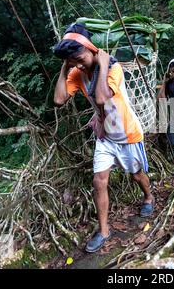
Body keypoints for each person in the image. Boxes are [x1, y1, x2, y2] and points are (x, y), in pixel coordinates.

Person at [53, 23, 154, 253]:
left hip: (127, 134)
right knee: (99, 181)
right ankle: (104, 230)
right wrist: (64, 67)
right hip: (105, 138)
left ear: (91, 48)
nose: (78, 64)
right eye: (73, 61)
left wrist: (104, 61)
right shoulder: (77, 73)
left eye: (80, 58)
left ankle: (148, 197)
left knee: (137, 175)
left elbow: (101, 98)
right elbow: (59, 100)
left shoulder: (113, 67)